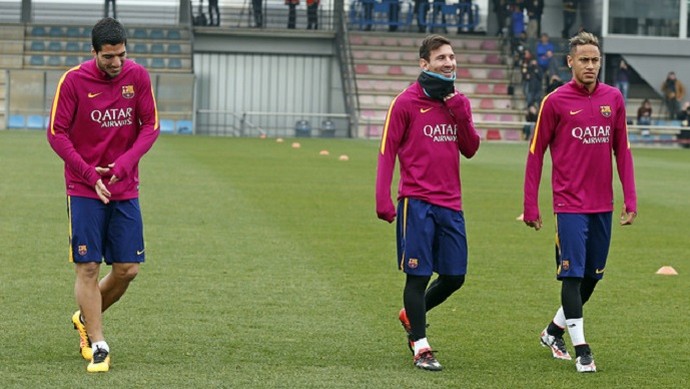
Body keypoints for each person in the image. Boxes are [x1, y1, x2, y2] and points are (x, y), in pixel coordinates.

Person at [46, 17, 160, 373]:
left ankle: (85, 318)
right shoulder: (73, 81)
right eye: (108, 57)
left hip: (124, 186)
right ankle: (98, 343)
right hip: (83, 187)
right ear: (93, 51)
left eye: (121, 55)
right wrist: (86, 172)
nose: (116, 63)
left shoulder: (137, 77)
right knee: (89, 266)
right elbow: (56, 133)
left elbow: (150, 127)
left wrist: (124, 165)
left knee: (127, 269)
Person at [522, 31, 637, 374]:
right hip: (569, 205)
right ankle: (582, 349)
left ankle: (553, 331)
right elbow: (535, 154)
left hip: (603, 204)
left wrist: (630, 198)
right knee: (571, 277)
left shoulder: (613, 98)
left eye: (595, 60)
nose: (590, 66)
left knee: (593, 277)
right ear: (570, 62)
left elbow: (623, 151)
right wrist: (531, 205)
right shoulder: (554, 101)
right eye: (584, 60)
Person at [376, 34, 480, 372]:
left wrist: (462, 113)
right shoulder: (406, 102)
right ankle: (420, 345)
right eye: (441, 58)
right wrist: (383, 198)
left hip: (451, 204)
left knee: (454, 277)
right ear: (425, 64)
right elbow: (386, 151)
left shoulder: (456, 102)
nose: (449, 63)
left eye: (452, 57)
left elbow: (470, 148)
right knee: (417, 277)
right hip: (416, 203)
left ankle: (411, 314)